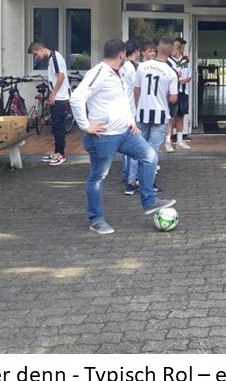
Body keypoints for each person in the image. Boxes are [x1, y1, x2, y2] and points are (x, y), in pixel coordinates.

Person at [70, 39, 176, 235]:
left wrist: (130, 119)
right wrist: (86, 126)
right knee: (97, 177)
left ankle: (149, 201)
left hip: (126, 132)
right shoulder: (99, 73)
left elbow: (123, 99)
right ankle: (95, 220)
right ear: (121, 55)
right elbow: (76, 98)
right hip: (103, 137)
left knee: (149, 156)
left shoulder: (120, 72)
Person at [134, 37, 180, 194]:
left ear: (158, 49)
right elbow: (173, 98)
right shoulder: (171, 72)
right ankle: (148, 182)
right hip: (160, 115)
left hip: (142, 113)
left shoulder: (142, 66)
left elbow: (137, 90)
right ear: (171, 52)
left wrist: (138, 107)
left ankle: (135, 179)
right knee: (152, 149)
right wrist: (163, 96)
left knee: (140, 147)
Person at [28, 41, 71, 166]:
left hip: (60, 97)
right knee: (55, 126)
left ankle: (61, 154)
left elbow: (61, 77)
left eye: (36, 54)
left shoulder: (54, 57)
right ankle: (57, 151)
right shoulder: (52, 58)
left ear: (41, 49)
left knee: (58, 126)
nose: (36, 57)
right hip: (57, 96)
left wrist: (53, 94)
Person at [120, 40, 142, 189]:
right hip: (131, 108)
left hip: (123, 107)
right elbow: (136, 88)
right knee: (132, 142)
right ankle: (130, 176)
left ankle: (126, 172)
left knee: (125, 141)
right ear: (136, 51)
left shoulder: (121, 66)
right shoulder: (132, 67)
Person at [165, 37, 192, 151]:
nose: (171, 51)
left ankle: (180, 140)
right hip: (172, 92)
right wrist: (176, 76)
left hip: (183, 92)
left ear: (179, 49)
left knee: (181, 115)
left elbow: (189, 76)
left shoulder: (185, 61)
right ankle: (168, 141)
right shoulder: (168, 62)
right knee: (171, 117)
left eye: (173, 49)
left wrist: (186, 80)